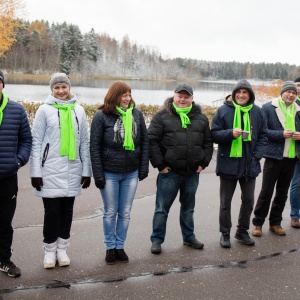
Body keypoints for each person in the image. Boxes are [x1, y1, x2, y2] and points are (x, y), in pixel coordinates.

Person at [30, 73, 92, 269]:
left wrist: (86, 170)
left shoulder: (79, 111)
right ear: (51, 90)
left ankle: (62, 249)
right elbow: (36, 142)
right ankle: (49, 251)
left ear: (69, 88)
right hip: (49, 170)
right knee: (52, 212)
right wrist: (35, 172)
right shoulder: (43, 110)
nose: (61, 91)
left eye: (63, 87)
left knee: (67, 211)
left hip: (73, 169)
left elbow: (84, 142)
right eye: (56, 88)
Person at [148, 83, 213, 254]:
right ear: (174, 96)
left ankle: (189, 237)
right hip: (170, 173)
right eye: (180, 96)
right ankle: (157, 239)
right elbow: (151, 140)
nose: (183, 99)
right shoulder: (162, 116)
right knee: (162, 208)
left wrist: (203, 163)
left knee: (188, 208)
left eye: (186, 96)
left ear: (192, 98)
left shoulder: (201, 118)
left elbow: (208, 143)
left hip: (192, 173)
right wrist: (160, 165)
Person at [90, 81, 149, 264]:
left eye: (129, 95)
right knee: (110, 212)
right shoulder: (101, 116)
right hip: (110, 173)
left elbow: (145, 142)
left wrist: (143, 166)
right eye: (124, 95)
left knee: (125, 212)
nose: (127, 98)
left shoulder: (136, 114)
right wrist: (98, 174)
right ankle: (110, 247)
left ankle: (120, 246)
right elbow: (94, 147)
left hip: (131, 172)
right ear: (114, 96)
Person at [211, 79, 268, 248]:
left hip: (250, 165)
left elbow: (264, 136)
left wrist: (257, 156)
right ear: (234, 94)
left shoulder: (257, 112)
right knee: (225, 202)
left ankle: (242, 231)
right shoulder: (223, 111)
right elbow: (213, 134)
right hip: (228, 163)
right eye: (238, 92)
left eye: (245, 93)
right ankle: (225, 233)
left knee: (249, 201)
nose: (241, 95)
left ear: (250, 95)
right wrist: (230, 133)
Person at [252, 81, 300, 236]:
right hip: (273, 156)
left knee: (282, 193)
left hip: (291, 157)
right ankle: (258, 223)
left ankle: (275, 223)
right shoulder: (268, 107)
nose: (291, 95)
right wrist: (280, 134)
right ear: (282, 92)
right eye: (288, 92)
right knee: (266, 191)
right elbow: (262, 131)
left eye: (294, 93)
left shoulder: (298, 110)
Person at [0, 70, 32, 277]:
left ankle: (4, 260)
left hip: (7, 177)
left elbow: (26, 140)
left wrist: (18, 161)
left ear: (3, 84)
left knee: (4, 222)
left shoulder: (16, 110)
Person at [289, 77, 300, 228]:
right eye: (297, 85)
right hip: (295, 151)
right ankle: (295, 215)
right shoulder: (290, 105)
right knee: (296, 184)